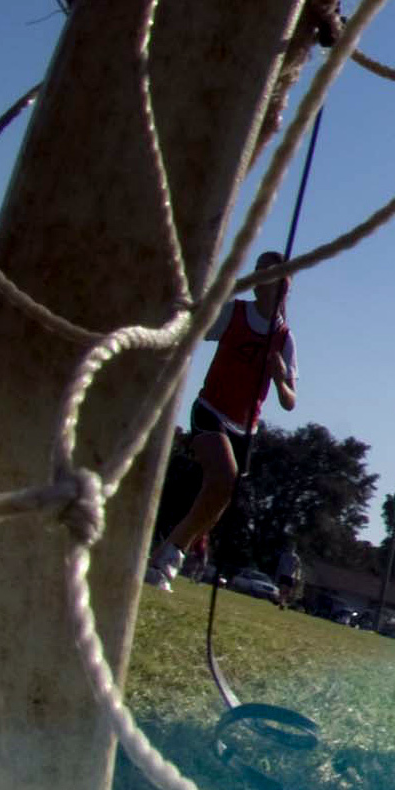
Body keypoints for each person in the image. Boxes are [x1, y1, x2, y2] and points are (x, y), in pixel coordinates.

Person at [146, 252, 297, 591]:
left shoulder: (285, 338)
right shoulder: (235, 313)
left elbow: (290, 401)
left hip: (245, 429)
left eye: (268, 272)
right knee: (223, 478)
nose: (259, 277)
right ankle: (169, 559)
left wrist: (279, 378)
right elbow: (193, 326)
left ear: (283, 284)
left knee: (218, 497)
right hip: (210, 410)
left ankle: (168, 553)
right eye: (257, 270)